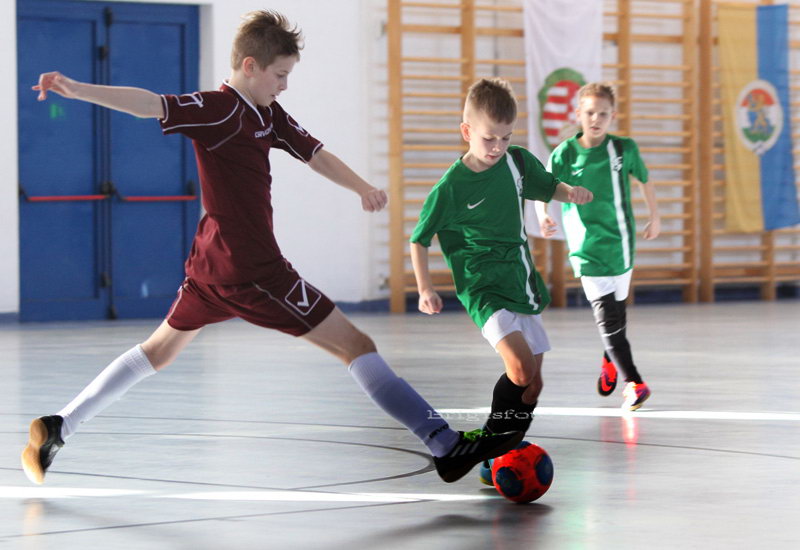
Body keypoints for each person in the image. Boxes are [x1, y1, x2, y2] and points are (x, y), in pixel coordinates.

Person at [21, 10, 524, 486]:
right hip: (254, 271)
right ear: (250, 66)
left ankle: (60, 424)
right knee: (356, 346)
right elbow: (150, 103)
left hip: (210, 266)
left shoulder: (266, 113)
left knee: (158, 352)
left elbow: (314, 154)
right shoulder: (216, 108)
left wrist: (361, 187)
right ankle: (443, 443)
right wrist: (76, 89)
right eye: (280, 75)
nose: (284, 85)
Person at [409, 78, 592, 484]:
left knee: (532, 385)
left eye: (506, 138)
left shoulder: (517, 162)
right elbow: (419, 239)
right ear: (467, 131)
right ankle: (479, 450)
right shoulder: (451, 188)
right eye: (489, 139)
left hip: (520, 280)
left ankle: (492, 456)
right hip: (483, 288)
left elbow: (549, 187)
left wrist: (572, 194)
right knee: (520, 368)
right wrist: (425, 288)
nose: (497, 147)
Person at [534, 82, 660, 411]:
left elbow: (644, 180)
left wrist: (655, 216)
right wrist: (543, 215)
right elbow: (541, 187)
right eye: (590, 113)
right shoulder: (564, 154)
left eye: (603, 114)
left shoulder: (623, 149)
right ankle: (635, 383)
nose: (596, 119)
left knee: (617, 315)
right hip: (586, 249)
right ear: (578, 114)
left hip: (621, 244)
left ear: (612, 116)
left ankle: (610, 360)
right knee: (607, 318)